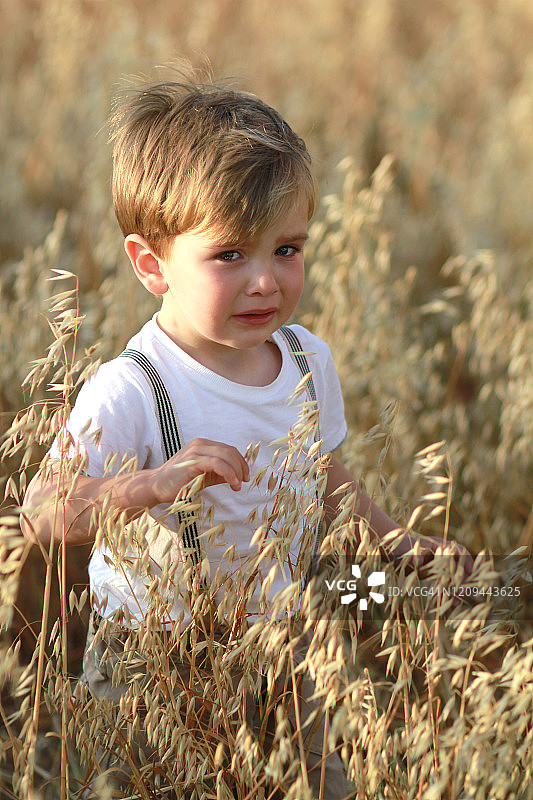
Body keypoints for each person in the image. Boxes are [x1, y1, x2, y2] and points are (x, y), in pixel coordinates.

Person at [21, 72, 472, 798]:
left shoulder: (304, 360)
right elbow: (41, 513)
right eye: (230, 255)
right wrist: (145, 485)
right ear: (151, 264)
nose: (265, 281)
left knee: (321, 784)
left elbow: (323, 476)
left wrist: (391, 544)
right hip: (156, 660)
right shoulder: (135, 387)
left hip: (285, 635)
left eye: (286, 249)